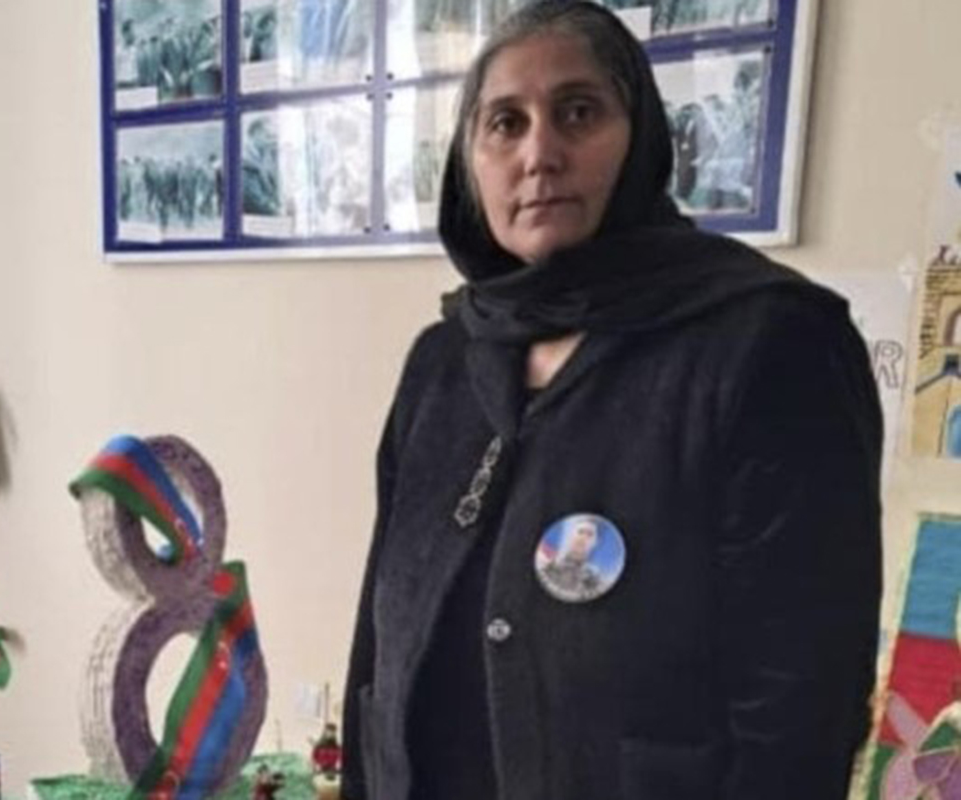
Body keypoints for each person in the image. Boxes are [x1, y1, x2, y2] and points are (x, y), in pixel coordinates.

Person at [341, 3, 881, 799]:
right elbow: (378, 646)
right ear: (468, 160)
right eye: (505, 123)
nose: (539, 155)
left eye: (578, 112)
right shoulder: (443, 362)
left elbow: (803, 705)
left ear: (641, 137)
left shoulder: (768, 344)